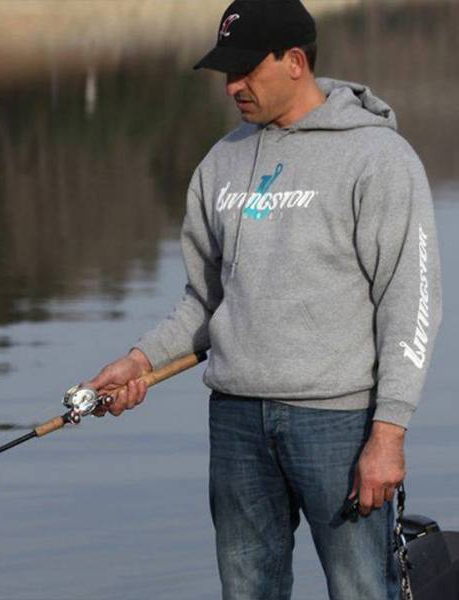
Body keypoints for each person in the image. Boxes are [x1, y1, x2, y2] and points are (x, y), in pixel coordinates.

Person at [86, 1, 442, 599]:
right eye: (227, 72)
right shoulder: (219, 164)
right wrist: (141, 360)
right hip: (236, 424)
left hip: (340, 425)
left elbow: (411, 302)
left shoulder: (379, 160)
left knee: (361, 591)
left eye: (247, 70)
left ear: (295, 61)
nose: (232, 86)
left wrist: (389, 433)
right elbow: (205, 301)